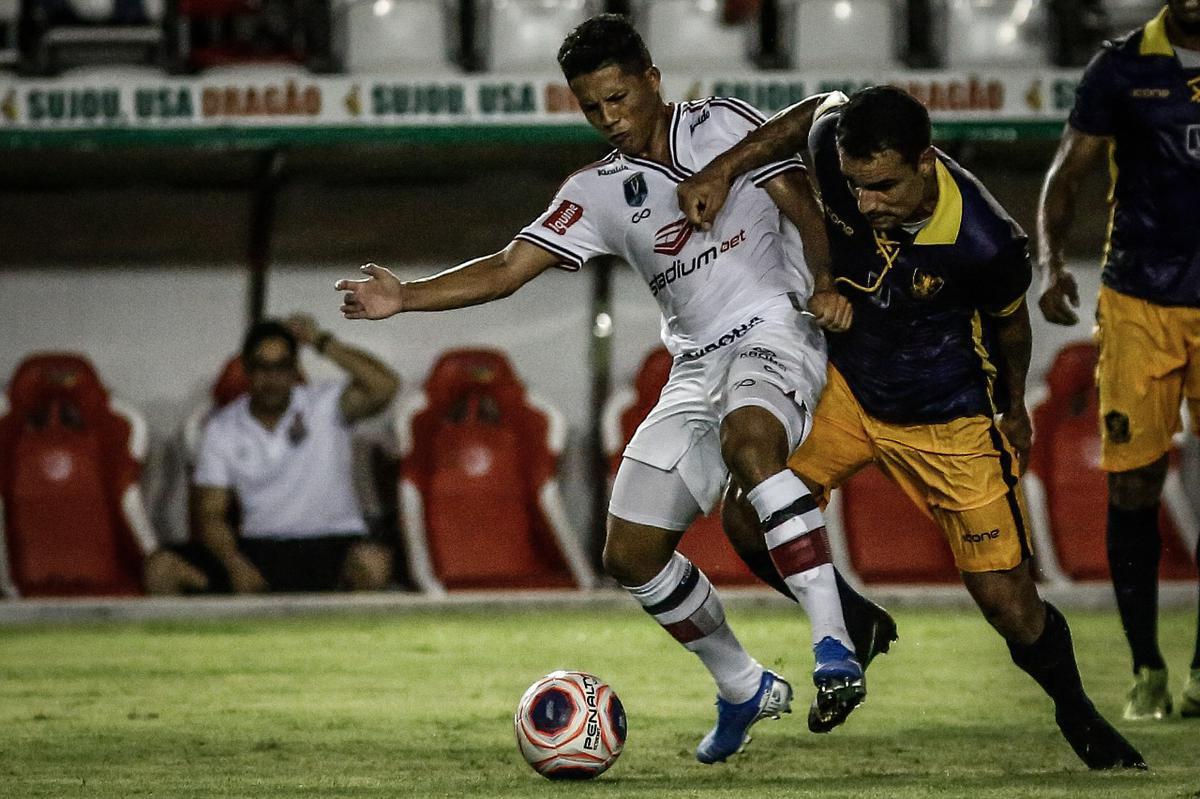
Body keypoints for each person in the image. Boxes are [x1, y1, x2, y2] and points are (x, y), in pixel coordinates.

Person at [335, 14, 896, 763]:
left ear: (652, 79)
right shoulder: (598, 189)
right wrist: (405, 295)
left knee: (751, 443)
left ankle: (835, 646)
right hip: (696, 367)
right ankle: (742, 684)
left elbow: (806, 180)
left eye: (618, 98)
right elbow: (507, 268)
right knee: (629, 552)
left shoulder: (722, 124)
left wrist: (822, 280)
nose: (609, 119)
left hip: (775, 333)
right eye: (591, 106)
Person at [678, 85, 1146, 770]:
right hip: (845, 389)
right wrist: (723, 170)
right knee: (747, 514)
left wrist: (1012, 406)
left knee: (1011, 607)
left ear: (926, 161)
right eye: (856, 185)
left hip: (947, 416)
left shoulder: (986, 240)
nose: (865, 203)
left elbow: (1011, 326)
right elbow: (812, 112)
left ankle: (1078, 712)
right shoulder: (833, 147)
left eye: (883, 187)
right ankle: (855, 618)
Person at [1037, 0, 1200, 722]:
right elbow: (1065, 175)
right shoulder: (1122, 67)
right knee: (1133, 486)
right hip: (1141, 303)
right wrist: (1050, 264)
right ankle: (1147, 669)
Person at [192, 314, 399, 593]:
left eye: (281, 367)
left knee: (374, 562)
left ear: (294, 369)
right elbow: (210, 513)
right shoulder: (222, 428)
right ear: (246, 369)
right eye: (262, 368)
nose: (272, 378)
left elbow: (385, 386)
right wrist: (234, 564)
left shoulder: (325, 405)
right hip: (261, 547)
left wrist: (320, 341)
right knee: (163, 568)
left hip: (334, 542)